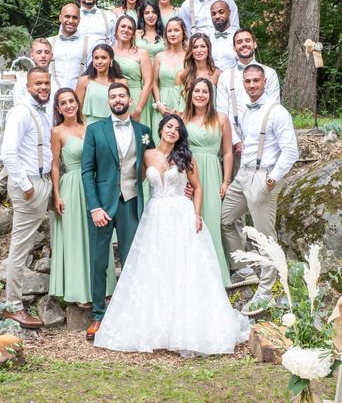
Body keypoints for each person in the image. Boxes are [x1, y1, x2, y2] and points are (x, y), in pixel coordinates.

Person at [94, 114, 249, 355]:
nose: (172, 131)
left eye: (177, 129)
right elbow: (132, 180)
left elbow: (197, 188)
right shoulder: (146, 156)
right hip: (155, 216)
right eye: (169, 127)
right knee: (156, 267)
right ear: (160, 129)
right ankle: (158, 327)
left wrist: (197, 215)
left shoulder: (185, 157)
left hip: (181, 213)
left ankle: (185, 328)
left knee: (184, 267)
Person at [220, 65, 298, 316]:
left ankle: (266, 291)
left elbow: (291, 151)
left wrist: (272, 180)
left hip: (264, 177)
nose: (251, 85)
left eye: (256, 81)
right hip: (244, 175)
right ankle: (245, 268)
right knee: (226, 219)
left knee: (265, 237)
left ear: (265, 82)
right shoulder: (244, 110)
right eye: (247, 81)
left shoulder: (278, 112)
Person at [81, 82, 154, 340]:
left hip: (131, 202)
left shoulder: (144, 131)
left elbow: (157, 162)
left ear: (130, 100)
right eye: (113, 96)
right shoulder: (94, 130)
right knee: (100, 261)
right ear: (108, 101)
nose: (117, 99)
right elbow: (87, 171)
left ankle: (131, 314)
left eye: (122, 95)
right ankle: (99, 315)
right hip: (102, 205)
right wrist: (94, 207)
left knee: (132, 260)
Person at [49, 88, 116, 305]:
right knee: (75, 237)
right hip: (71, 186)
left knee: (97, 236)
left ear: (78, 103)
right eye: (63, 103)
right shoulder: (57, 132)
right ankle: (79, 292)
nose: (68, 105)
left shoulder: (91, 127)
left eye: (71, 101)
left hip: (94, 185)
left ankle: (102, 289)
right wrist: (56, 195)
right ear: (58, 108)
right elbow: (56, 165)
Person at [1, 67, 53, 329]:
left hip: (44, 181)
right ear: (28, 86)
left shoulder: (41, 113)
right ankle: (13, 307)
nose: (43, 87)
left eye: (46, 83)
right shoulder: (20, 112)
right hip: (29, 185)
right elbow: (8, 153)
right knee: (20, 247)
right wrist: (26, 186)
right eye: (38, 84)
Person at [0, 39, 58, 204]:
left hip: (49, 131)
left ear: (52, 55)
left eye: (46, 52)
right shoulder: (22, 84)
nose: (43, 56)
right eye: (39, 52)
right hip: (29, 130)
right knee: (16, 153)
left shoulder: (56, 84)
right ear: (31, 55)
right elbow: (22, 113)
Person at [182, 78, 233, 287]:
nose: (200, 95)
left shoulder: (221, 118)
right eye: (197, 91)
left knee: (211, 222)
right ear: (190, 94)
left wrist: (226, 180)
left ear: (210, 96)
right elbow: (177, 152)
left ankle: (215, 278)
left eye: (205, 91)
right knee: (192, 224)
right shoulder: (183, 120)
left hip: (212, 173)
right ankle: (193, 278)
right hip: (190, 174)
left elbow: (228, 151)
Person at [216, 28, 281, 160]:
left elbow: (274, 109)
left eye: (247, 40)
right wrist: (236, 142)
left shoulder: (269, 73)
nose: (244, 44)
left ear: (254, 44)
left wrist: (260, 140)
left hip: (264, 142)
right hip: (236, 144)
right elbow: (222, 113)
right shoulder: (225, 76)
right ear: (234, 48)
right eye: (239, 42)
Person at [48, 3, 102, 90]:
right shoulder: (49, 43)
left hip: (79, 95)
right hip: (52, 96)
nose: (71, 21)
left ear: (80, 20)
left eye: (75, 17)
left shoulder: (90, 43)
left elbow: (94, 73)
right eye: (67, 16)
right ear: (60, 18)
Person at [112, 15, 153, 128]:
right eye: (123, 26)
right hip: (114, 99)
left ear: (134, 33)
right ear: (116, 29)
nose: (126, 30)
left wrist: (138, 109)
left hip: (136, 99)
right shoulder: (109, 52)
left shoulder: (142, 53)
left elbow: (148, 83)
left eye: (130, 28)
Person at [151, 17, 187, 141]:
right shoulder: (159, 56)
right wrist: (158, 103)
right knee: (159, 140)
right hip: (162, 103)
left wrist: (182, 108)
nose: (172, 34)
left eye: (176, 30)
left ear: (183, 32)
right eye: (169, 31)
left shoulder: (189, 56)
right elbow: (154, 82)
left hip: (182, 102)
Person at [76, 44, 128, 125]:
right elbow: (77, 109)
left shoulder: (121, 82)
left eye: (103, 58)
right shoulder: (84, 80)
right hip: (89, 127)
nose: (99, 61)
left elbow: (125, 110)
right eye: (96, 58)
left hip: (114, 126)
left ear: (111, 60)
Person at [175, 32, 220, 109]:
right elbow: (177, 106)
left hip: (212, 119)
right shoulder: (182, 75)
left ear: (208, 49)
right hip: (188, 119)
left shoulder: (217, 74)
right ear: (191, 52)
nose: (199, 50)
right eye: (195, 47)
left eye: (203, 46)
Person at [207, 1, 237, 71]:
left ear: (229, 12)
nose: (217, 16)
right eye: (213, 14)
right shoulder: (207, 40)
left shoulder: (238, 37)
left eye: (221, 12)